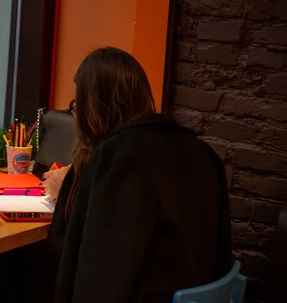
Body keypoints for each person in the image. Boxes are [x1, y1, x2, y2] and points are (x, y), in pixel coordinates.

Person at [42, 47, 232, 303]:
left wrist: (70, 192)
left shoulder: (119, 158)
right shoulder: (202, 152)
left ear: (94, 107)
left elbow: (96, 274)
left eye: (78, 106)